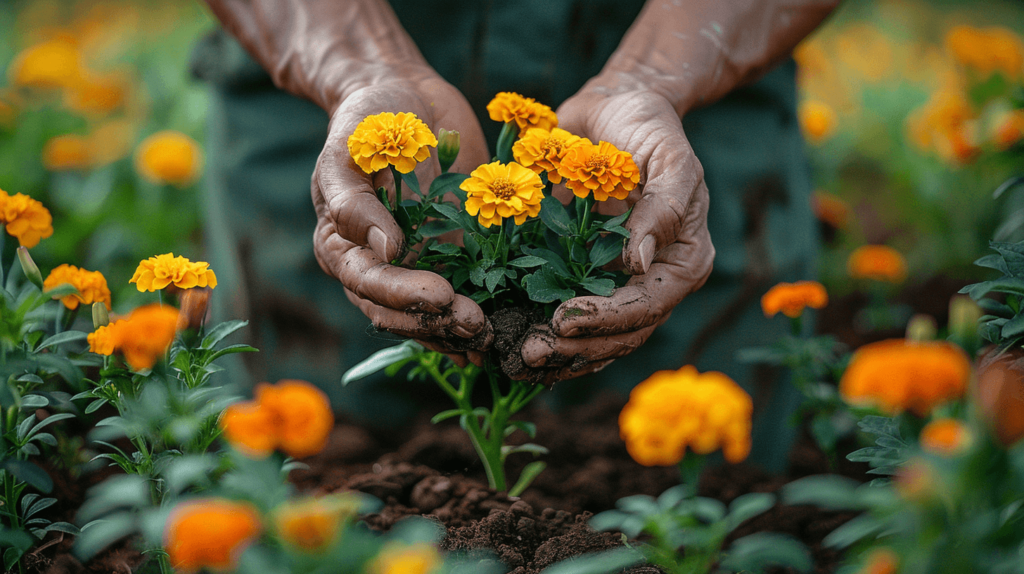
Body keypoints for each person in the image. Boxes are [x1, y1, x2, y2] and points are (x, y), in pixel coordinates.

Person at [192, 0, 839, 470]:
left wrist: (656, 78)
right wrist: (356, 68)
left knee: (697, 497)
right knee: (315, 483)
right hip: (317, 50)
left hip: (704, 67)